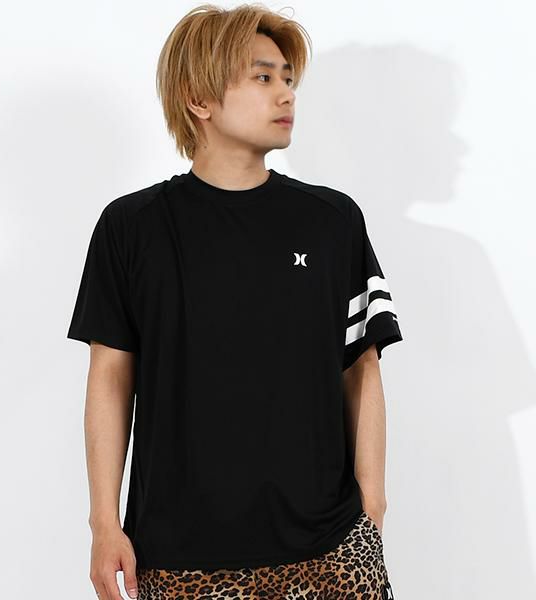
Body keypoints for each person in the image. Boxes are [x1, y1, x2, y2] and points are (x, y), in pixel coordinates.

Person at [67, 4, 402, 599]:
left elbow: (360, 367)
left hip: (330, 552)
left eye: (288, 79)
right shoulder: (132, 228)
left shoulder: (332, 221)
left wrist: (370, 509)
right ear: (199, 99)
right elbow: (111, 377)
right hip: (181, 559)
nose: (286, 94)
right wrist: (104, 523)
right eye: (263, 77)